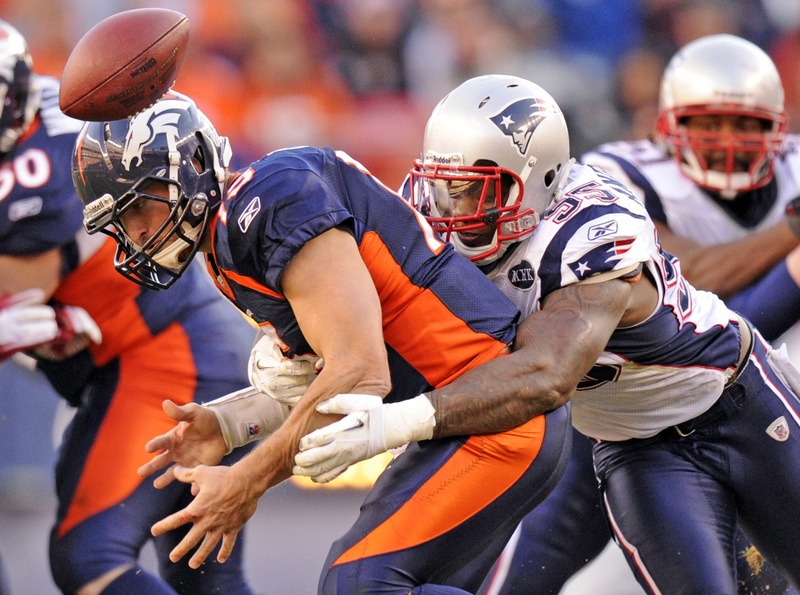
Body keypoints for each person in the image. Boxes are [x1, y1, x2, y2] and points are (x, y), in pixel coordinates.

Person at [292, 73, 800, 593]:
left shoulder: (592, 225)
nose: (450, 211)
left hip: (741, 405)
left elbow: (548, 374)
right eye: (443, 186)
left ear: (540, 179)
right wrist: (283, 356)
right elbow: (360, 316)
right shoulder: (426, 207)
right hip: (636, 447)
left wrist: (396, 423)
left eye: (472, 192)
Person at [71, 90, 571, 593]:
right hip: (464, 420)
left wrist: (249, 480)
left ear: (193, 164)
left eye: (140, 205)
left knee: (357, 586)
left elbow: (359, 372)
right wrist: (231, 424)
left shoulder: (270, 199)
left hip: (492, 414)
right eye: (120, 222)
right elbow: (329, 375)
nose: (133, 234)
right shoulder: (230, 241)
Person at [470, 35, 800, 594]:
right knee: (543, 553)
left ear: (777, 127)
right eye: (707, 122)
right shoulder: (614, 173)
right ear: (662, 124)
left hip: (757, 387)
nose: (725, 141)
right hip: (625, 405)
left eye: (743, 124)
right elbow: (690, 276)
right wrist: (792, 231)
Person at [0, 20, 259, 594]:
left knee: (91, 555)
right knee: (201, 575)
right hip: (152, 359)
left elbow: (22, 280)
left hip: (161, 360)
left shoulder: (48, 147)